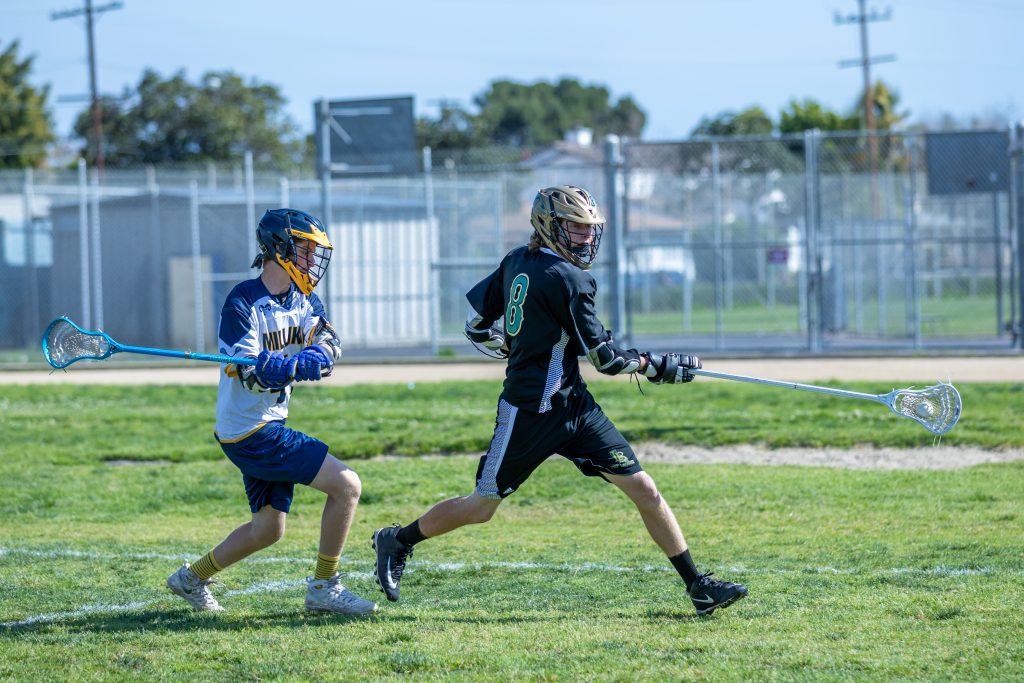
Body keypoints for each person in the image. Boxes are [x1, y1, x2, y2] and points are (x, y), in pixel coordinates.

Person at [372, 185, 747, 616]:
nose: (587, 237)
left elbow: (476, 327)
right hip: (529, 412)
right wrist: (656, 366)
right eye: (576, 227)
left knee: (644, 488)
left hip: (574, 406)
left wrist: (513, 345)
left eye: (590, 228)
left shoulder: (517, 259)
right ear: (549, 226)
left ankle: (698, 587)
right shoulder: (569, 278)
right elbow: (606, 360)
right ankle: (397, 540)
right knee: (481, 508)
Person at [167, 208, 377, 615]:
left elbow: (329, 339)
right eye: (305, 249)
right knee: (347, 485)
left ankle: (190, 578)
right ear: (280, 247)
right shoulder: (242, 302)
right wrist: (284, 367)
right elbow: (248, 374)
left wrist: (317, 354)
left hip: (262, 425)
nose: (312, 259)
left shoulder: (304, 299)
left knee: (267, 529)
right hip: (251, 431)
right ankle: (325, 587)